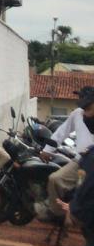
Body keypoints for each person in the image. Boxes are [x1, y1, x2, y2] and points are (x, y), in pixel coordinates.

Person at [42, 87, 94, 220]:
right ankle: (57, 213)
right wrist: (48, 150)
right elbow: (62, 131)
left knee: (84, 192)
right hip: (79, 160)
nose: (80, 100)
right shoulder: (77, 113)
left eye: (83, 98)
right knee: (55, 179)